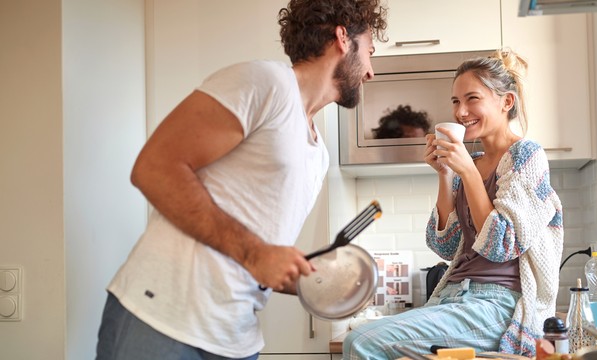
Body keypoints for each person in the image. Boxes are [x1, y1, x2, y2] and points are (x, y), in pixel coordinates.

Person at [95, 1, 387, 359]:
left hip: (236, 338)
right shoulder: (266, 82)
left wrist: (317, 280)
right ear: (342, 37)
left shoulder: (318, 154)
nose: (370, 72)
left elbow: (259, 254)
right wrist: (256, 253)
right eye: (370, 51)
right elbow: (154, 168)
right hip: (164, 319)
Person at [343, 48, 563, 359]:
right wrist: (445, 174)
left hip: (498, 305)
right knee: (366, 341)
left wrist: (467, 171)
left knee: (361, 342)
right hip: (453, 297)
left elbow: (501, 246)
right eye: (456, 101)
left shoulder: (526, 156)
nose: (461, 112)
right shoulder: (470, 162)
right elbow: (444, 246)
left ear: (506, 102)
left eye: (472, 99)